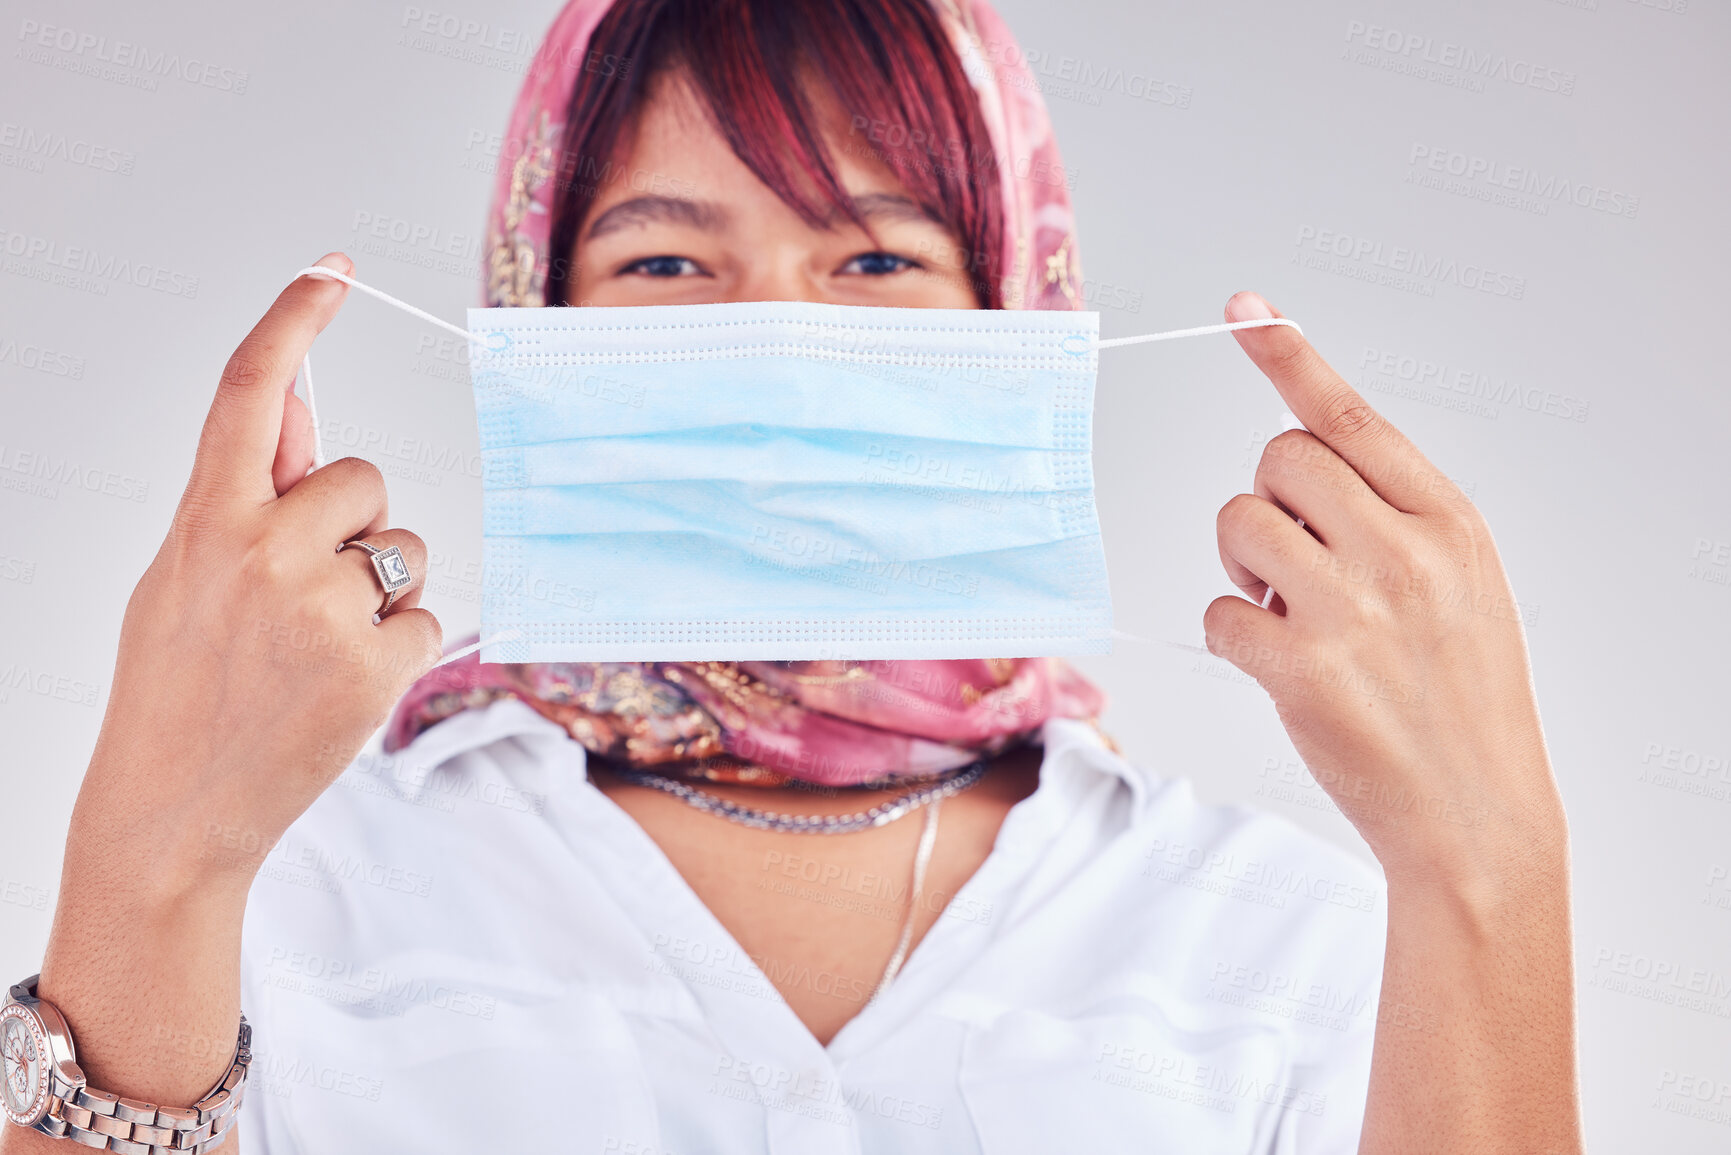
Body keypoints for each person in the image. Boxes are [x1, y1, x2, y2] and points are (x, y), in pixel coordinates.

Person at [6, 0, 1582, 1152]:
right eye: (667, 261)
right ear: (529, 306)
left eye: (881, 259)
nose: (772, 337)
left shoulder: (1288, 943)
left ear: (1022, 304)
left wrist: (1486, 863)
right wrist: (155, 848)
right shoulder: (287, 903)